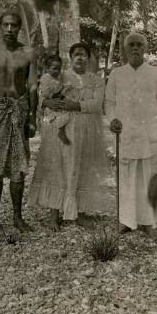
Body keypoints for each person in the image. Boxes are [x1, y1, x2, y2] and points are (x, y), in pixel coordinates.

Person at [29, 43, 108, 230]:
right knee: (58, 168)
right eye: (76, 55)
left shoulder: (96, 80)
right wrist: (47, 101)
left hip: (86, 128)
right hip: (61, 127)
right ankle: (54, 215)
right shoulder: (61, 75)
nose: (79, 58)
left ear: (89, 58)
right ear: (70, 58)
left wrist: (76, 106)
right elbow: (43, 94)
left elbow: (97, 104)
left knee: (82, 166)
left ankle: (79, 213)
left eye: (83, 55)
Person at [105, 33, 157, 240]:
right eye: (131, 44)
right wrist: (113, 119)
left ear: (145, 48)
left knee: (149, 178)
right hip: (126, 134)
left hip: (150, 135)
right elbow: (109, 102)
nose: (135, 48)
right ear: (125, 48)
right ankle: (126, 221)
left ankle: (149, 222)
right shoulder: (116, 74)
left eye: (139, 44)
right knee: (126, 178)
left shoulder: (156, 73)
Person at [0, 11, 37, 234]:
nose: (10, 29)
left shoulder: (28, 52)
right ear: (0, 26)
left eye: (14, 25)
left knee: (18, 164)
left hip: (19, 109)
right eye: (6, 25)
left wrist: (32, 117)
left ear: (20, 27)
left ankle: (17, 217)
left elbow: (32, 86)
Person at [37, 55, 79, 145]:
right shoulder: (46, 78)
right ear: (47, 68)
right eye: (54, 68)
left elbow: (64, 89)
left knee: (67, 114)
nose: (57, 71)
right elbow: (44, 92)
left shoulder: (59, 78)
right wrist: (55, 95)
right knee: (55, 117)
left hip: (57, 100)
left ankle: (62, 131)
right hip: (49, 104)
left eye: (59, 69)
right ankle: (60, 132)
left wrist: (63, 93)